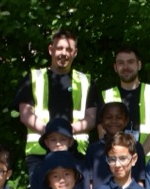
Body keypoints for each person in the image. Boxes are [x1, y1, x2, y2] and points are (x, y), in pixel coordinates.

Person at [13, 29, 100, 176]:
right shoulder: (33, 78)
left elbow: (91, 119)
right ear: (50, 49)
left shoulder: (86, 81)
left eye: (69, 49)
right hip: (39, 153)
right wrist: (52, 136)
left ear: (75, 52)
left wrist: (65, 135)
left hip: (76, 152)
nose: (63, 53)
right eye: (59, 48)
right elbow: (25, 115)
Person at [100, 47, 150, 156]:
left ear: (139, 65)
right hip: (117, 163)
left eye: (130, 62)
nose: (125, 67)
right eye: (121, 63)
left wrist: (138, 155)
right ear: (115, 67)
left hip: (149, 163)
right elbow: (102, 132)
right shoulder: (106, 95)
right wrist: (121, 158)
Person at [28, 118, 90, 189]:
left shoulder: (80, 167)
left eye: (63, 139)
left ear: (70, 142)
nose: (58, 144)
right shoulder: (39, 169)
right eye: (53, 140)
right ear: (47, 143)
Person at [86, 102, 146, 189]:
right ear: (101, 122)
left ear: (126, 121)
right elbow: (90, 181)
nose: (114, 121)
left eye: (119, 117)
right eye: (109, 117)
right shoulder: (93, 149)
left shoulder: (136, 147)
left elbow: (140, 180)